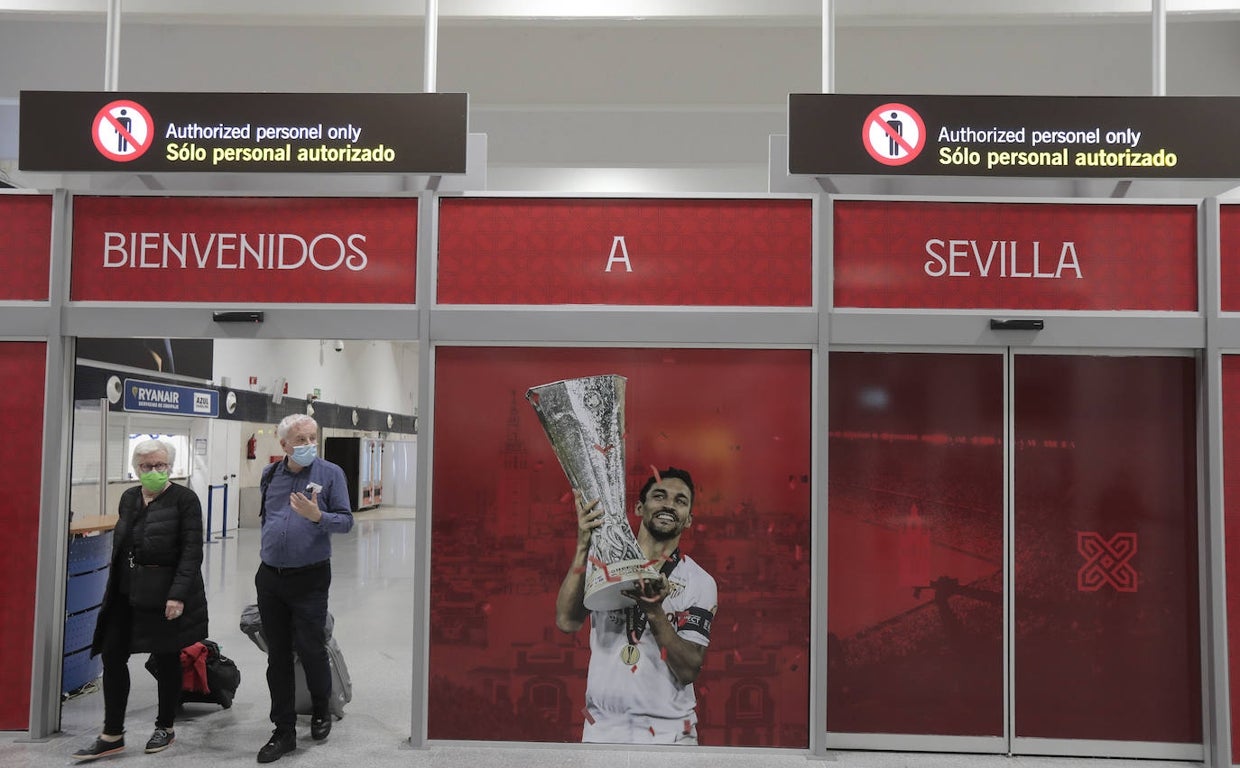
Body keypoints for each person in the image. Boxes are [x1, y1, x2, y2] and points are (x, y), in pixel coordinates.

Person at [555, 466, 718, 744]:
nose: (669, 505)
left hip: (671, 737)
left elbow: (689, 669)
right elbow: (567, 621)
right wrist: (584, 546)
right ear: (639, 507)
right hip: (602, 733)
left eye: (680, 501)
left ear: (689, 519)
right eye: (660, 496)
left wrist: (654, 611)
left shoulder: (699, 581)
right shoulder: (604, 563)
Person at [72, 439, 208, 761]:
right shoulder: (130, 498)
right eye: (146, 466)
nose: (153, 471)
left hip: (163, 594)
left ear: (169, 467)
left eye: (160, 465)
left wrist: (177, 595)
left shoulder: (184, 500)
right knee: (113, 655)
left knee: (166, 657)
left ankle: (165, 726)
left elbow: (191, 552)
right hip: (125, 592)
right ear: (136, 469)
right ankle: (112, 733)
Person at [255, 413, 353, 763]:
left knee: (311, 648)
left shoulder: (330, 474)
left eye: (313, 437)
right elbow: (267, 518)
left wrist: (317, 517)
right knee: (276, 654)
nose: (309, 444)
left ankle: (321, 708)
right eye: (301, 439)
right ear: (283, 445)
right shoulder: (269, 475)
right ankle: (282, 730)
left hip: (310, 577)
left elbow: (346, 521)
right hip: (270, 577)